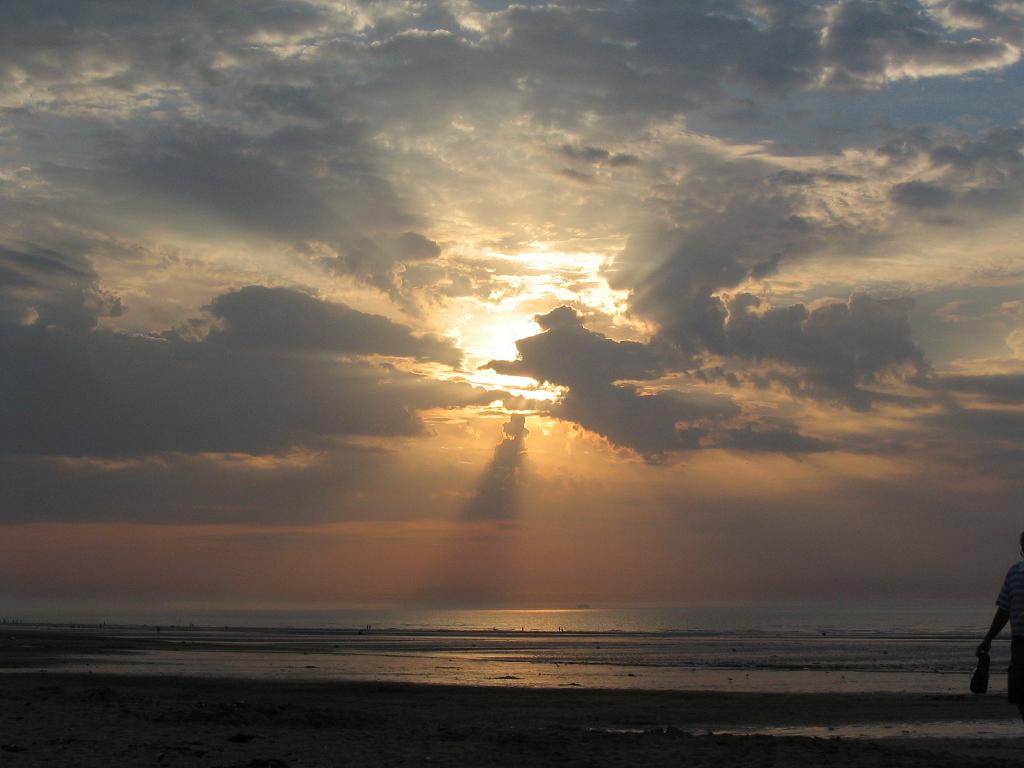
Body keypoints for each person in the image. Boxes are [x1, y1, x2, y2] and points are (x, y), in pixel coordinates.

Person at [978, 531, 1024, 719]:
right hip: (1020, 644)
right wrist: (988, 639)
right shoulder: (1015, 573)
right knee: (1021, 696)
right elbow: (1004, 610)